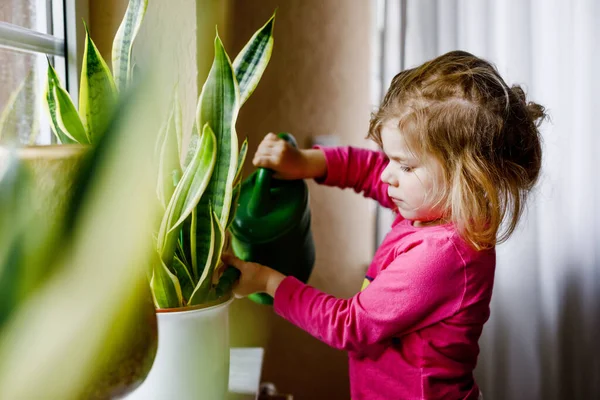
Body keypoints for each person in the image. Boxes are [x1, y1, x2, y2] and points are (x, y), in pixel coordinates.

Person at [222, 50, 545, 400]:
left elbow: (349, 324)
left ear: (465, 178)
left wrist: (269, 282)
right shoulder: (436, 205)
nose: (388, 174)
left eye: (404, 165)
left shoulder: (441, 255)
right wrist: (306, 162)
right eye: (390, 157)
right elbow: (369, 171)